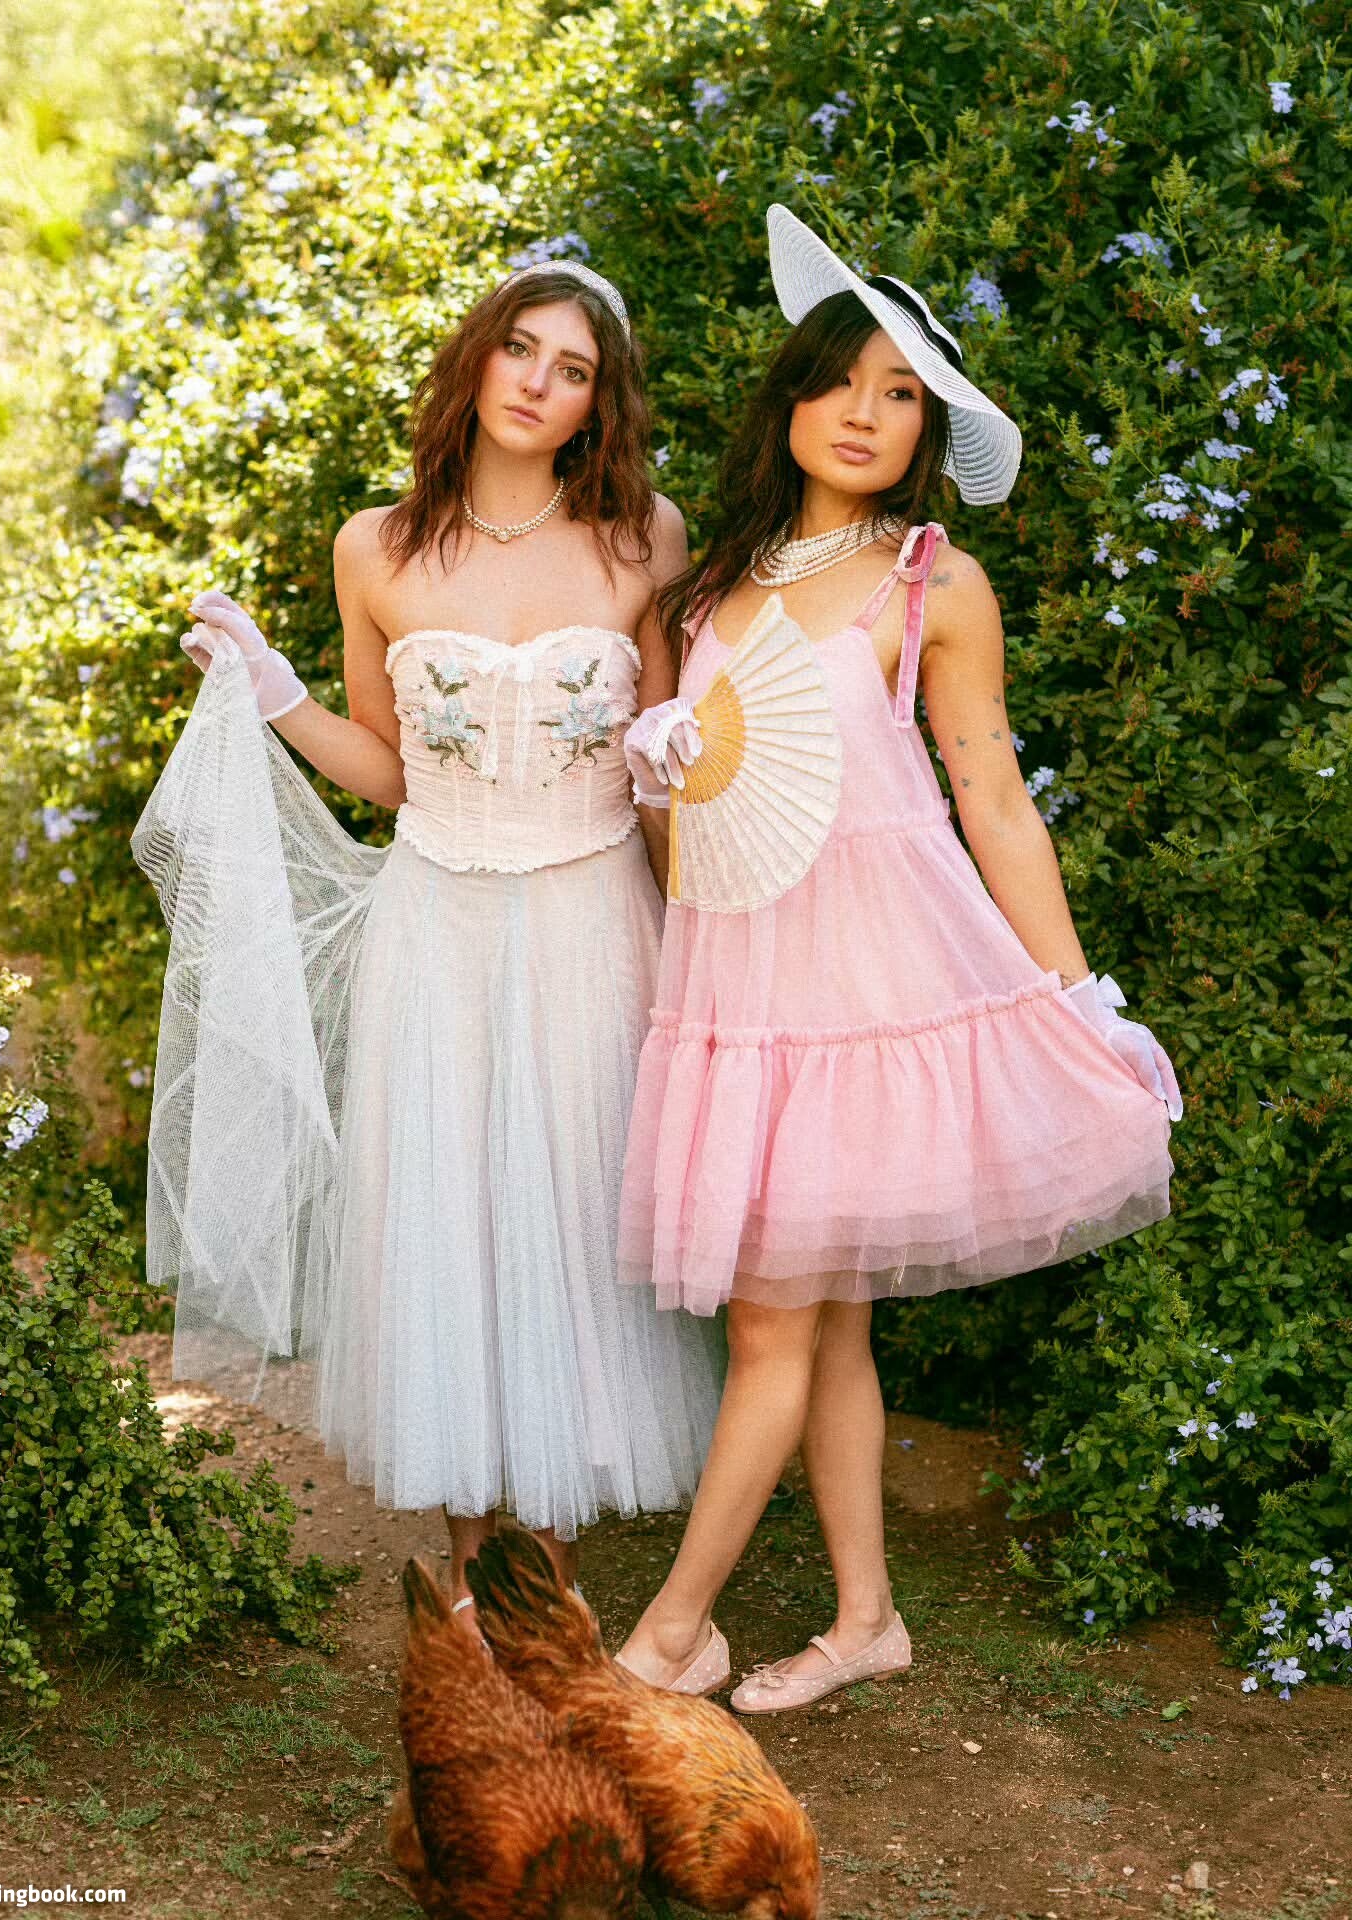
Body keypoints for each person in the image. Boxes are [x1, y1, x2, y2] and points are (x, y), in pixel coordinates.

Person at [613, 206, 1181, 1710]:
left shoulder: (931, 581)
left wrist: (1078, 998)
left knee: (773, 1326)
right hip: (743, 995)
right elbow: (691, 826)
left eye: (903, 394)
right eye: (843, 382)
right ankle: (867, 1619)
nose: (866, 414)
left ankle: (671, 1635)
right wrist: (662, 776)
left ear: (927, 429)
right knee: (825, 1323)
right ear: (793, 398)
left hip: (872, 997)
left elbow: (993, 798)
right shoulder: (709, 589)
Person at [133, 259, 723, 1626]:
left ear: (598, 406)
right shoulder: (377, 548)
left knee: (571, 1222)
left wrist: (682, 827)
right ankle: (470, 1569)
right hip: (437, 923)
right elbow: (391, 773)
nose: (538, 383)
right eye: (521, 349)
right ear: (477, 359)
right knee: (451, 1218)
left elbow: (667, 770)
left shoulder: (646, 539)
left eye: (573, 370)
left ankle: (548, 1577)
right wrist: (273, 693)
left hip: (594, 922)